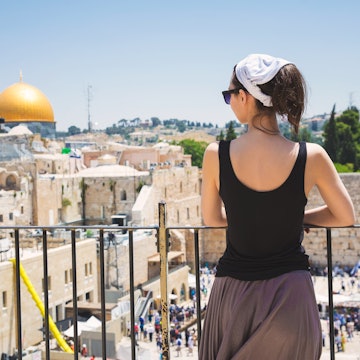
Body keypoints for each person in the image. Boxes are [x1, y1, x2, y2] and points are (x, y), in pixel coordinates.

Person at [199, 53, 356, 360]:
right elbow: (344, 215)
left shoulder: (215, 153)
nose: (229, 101)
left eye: (229, 95)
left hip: (234, 297)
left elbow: (212, 218)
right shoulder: (312, 156)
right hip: (291, 297)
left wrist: (250, 219)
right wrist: (296, 219)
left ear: (244, 96)